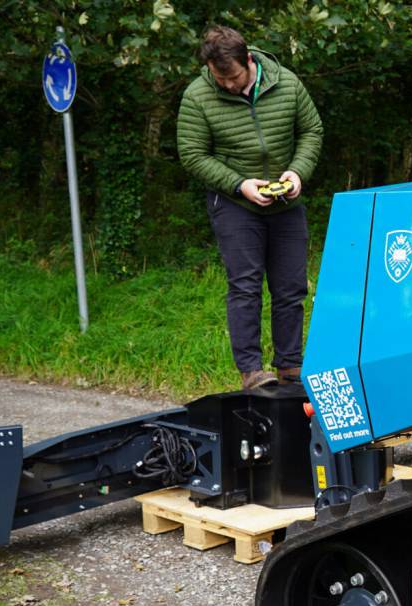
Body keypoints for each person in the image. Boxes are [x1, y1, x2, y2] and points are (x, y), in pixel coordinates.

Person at [177, 25, 323, 389]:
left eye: (231, 76)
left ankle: (290, 365)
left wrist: (297, 172)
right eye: (217, 76)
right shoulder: (197, 96)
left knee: (290, 287)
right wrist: (239, 185)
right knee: (245, 286)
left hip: (285, 202)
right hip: (233, 203)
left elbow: (312, 131)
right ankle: (252, 371)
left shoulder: (286, 83)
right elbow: (192, 155)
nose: (225, 84)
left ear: (249, 60)